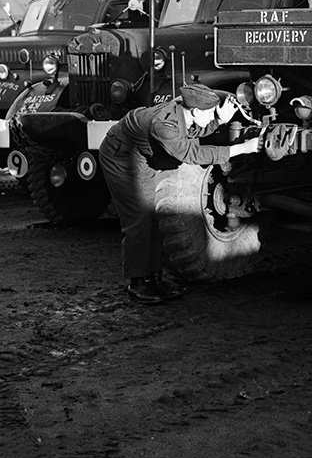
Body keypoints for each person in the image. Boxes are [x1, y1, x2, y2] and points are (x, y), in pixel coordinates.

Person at [99, 83, 261, 304]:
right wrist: (242, 148)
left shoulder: (185, 114)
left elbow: (195, 129)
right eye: (211, 113)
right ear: (195, 111)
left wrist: (219, 119)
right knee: (139, 219)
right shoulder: (164, 123)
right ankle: (137, 282)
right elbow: (189, 152)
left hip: (146, 159)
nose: (213, 116)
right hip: (121, 160)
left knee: (154, 217)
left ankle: (153, 279)